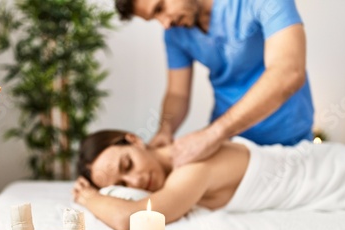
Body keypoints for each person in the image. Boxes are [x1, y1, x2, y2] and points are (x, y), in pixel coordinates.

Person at [114, 0, 315, 167]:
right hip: (230, 145)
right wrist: (166, 129)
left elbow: (288, 73)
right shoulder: (174, 33)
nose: (164, 23)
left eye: (160, 8)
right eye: (154, 19)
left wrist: (213, 134)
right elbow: (178, 94)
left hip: (288, 138)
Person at [73, 130, 345, 230]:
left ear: (134, 140)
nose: (137, 179)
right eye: (123, 185)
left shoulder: (191, 167)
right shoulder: (180, 162)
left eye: (127, 165)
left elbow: (134, 220)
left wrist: (88, 198)